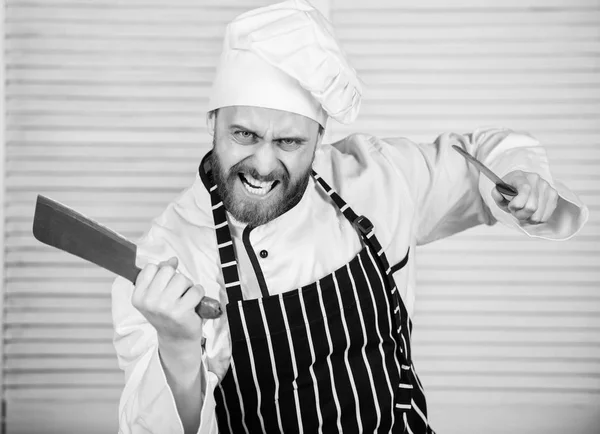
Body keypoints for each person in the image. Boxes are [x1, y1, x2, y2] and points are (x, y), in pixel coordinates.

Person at [110, 1, 589, 433]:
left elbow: (482, 154)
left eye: (289, 142)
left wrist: (522, 180)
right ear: (212, 123)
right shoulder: (166, 258)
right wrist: (176, 347)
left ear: (319, 139)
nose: (261, 163)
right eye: (244, 133)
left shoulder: (377, 178)